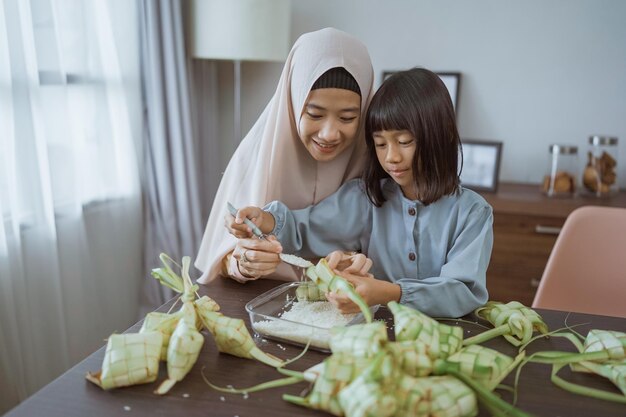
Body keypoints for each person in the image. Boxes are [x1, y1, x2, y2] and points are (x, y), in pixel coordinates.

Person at [228, 68, 493, 318]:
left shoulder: (472, 212)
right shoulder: (365, 197)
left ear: (440, 135)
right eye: (380, 144)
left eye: (404, 142)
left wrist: (391, 293)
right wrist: (266, 221)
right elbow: (304, 229)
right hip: (371, 336)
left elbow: (463, 290)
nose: (391, 157)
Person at [195, 28, 375, 284]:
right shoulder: (252, 159)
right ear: (292, 102)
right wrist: (245, 261)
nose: (329, 134)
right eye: (314, 114)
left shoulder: (379, 162)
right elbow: (221, 259)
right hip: (262, 302)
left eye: (347, 118)